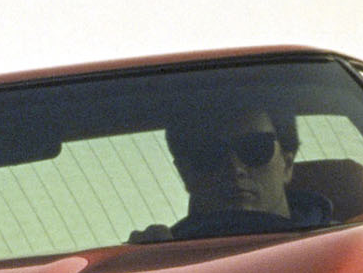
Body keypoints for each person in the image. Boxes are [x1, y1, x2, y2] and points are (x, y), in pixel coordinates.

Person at [135, 100, 334, 241]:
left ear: (287, 164)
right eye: (208, 154)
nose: (234, 168)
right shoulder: (158, 260)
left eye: (255, 148)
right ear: (185, 174)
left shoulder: (344, 251)